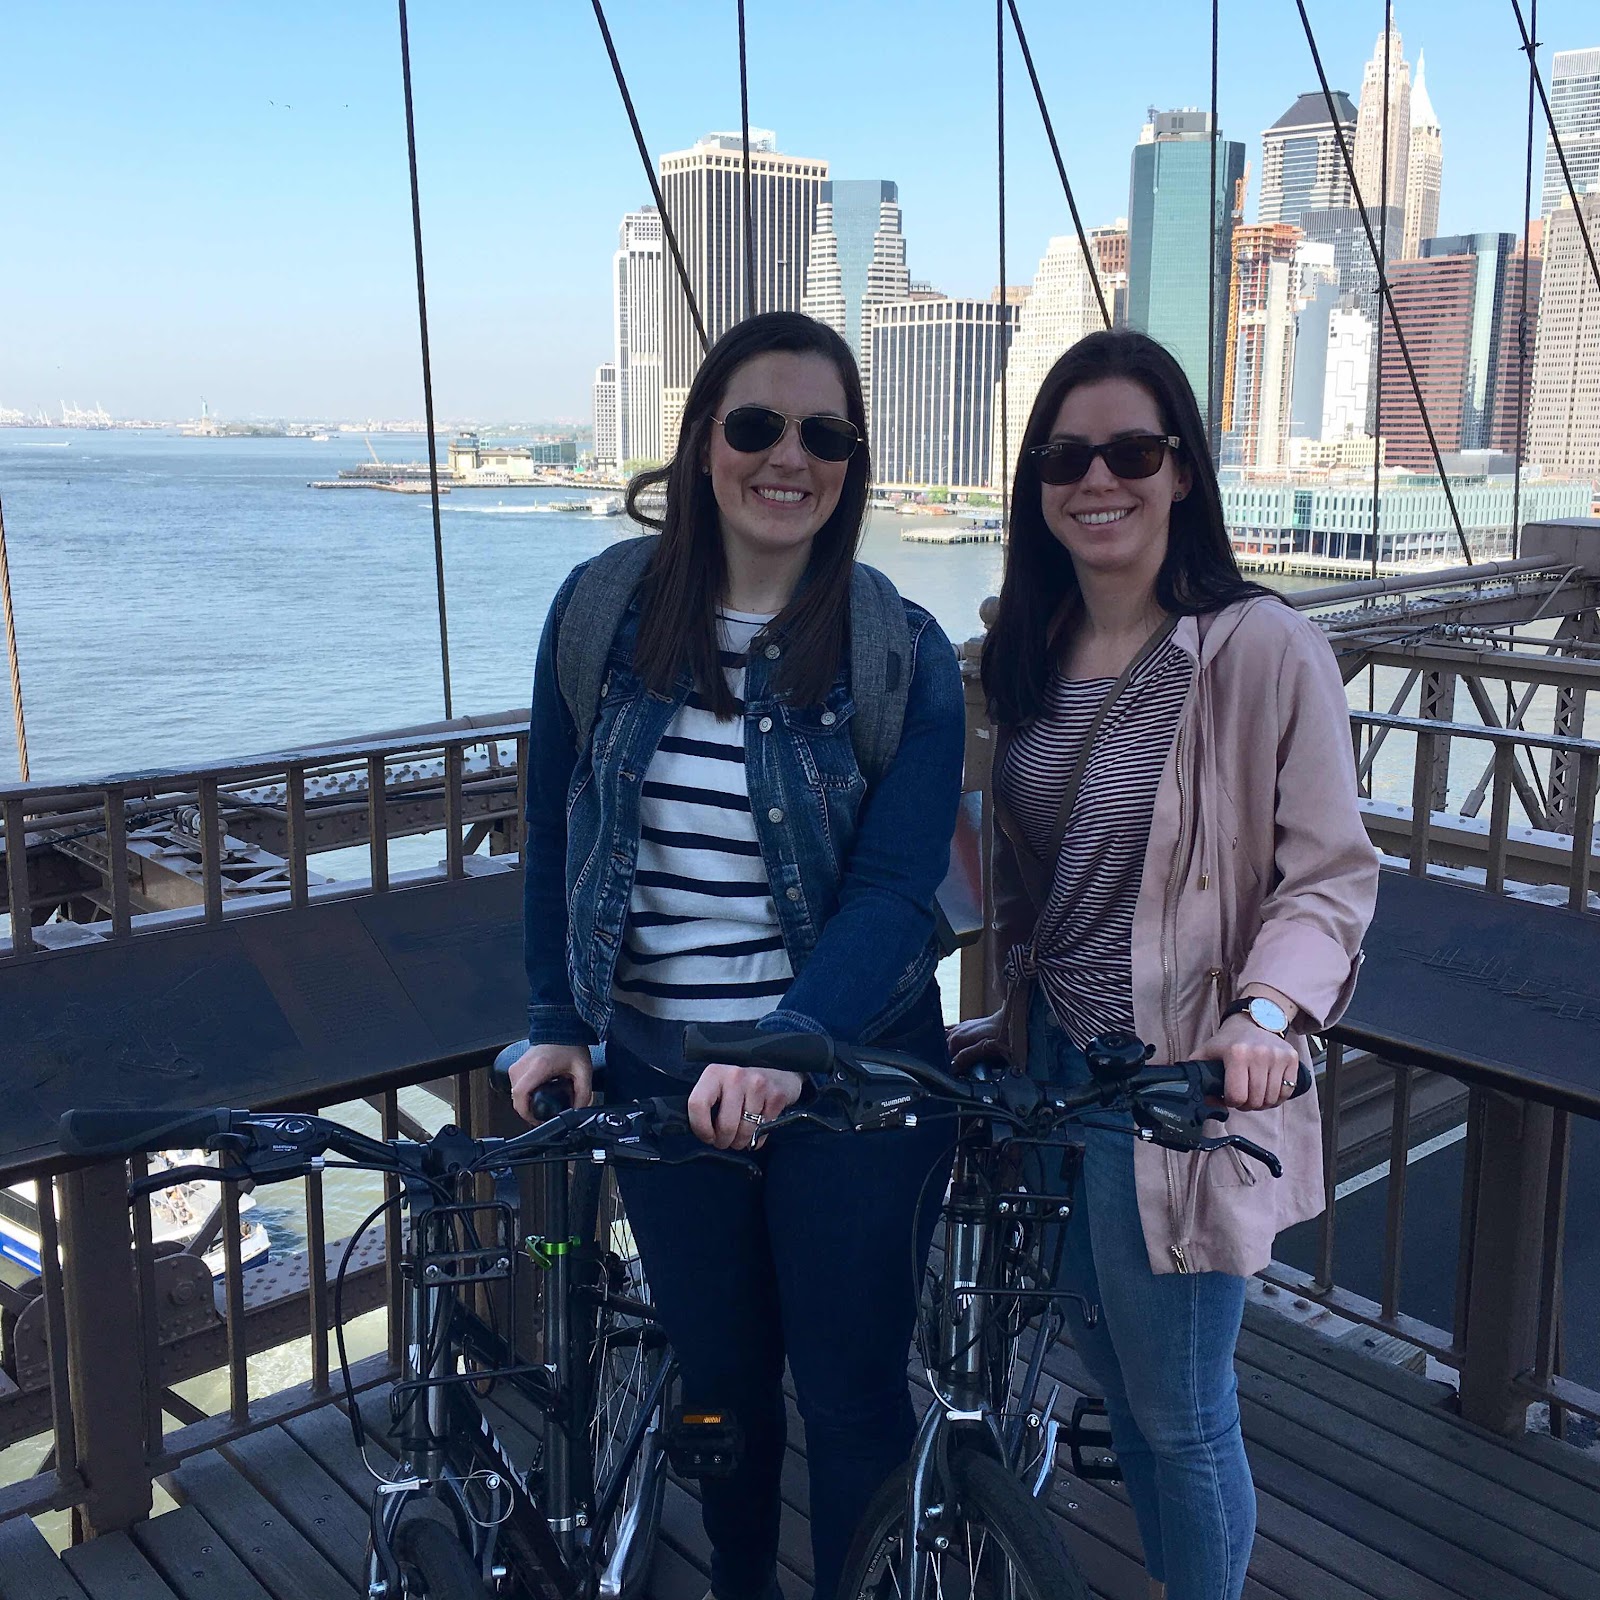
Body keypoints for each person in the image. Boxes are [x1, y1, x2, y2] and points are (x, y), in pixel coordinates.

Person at [507, 310, 965, 1600]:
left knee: (852, 1389)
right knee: (719, 1387)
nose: (788, 457)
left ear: (853, 462)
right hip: (662, 1073)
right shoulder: (601, 613)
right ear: (704, 441)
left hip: (852, 1081)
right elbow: (551, 826)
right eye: (756, 424)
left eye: (824, 434)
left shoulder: (901, 654)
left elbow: (893, 893)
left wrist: (785, 1046)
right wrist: (555, 1016)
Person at [950, 329, 1378, 1600]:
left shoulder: (1259, 648)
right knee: (1121, 1391)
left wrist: (1266, 1014)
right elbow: (1041, 885)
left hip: (1176, 1084)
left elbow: (1329, 873)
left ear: (1182, 470)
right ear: (1037, 484)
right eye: (1065, 457)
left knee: (1183, 1413)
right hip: (1051, 1074)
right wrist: (1003, 1017)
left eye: (1131, 452)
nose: (1098, 479)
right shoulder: (1024, 655)